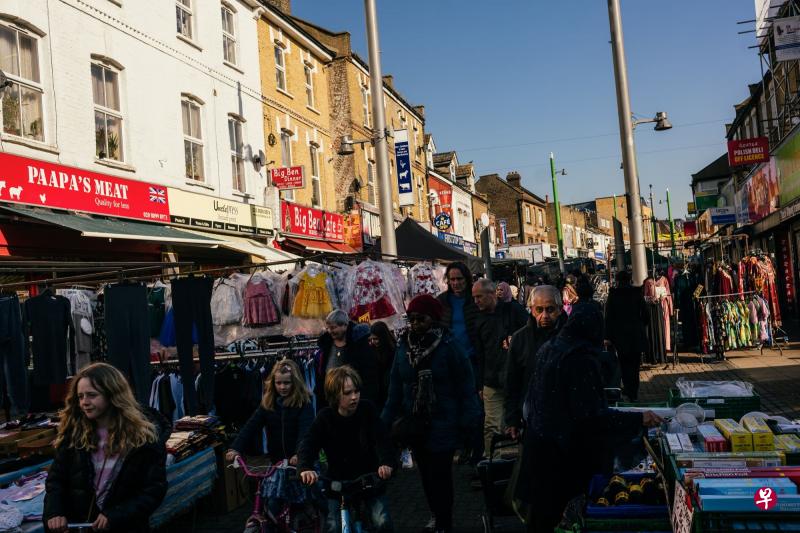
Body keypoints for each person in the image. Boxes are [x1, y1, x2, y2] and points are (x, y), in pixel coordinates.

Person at [522, 305, 663, 532]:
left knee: (542, 517)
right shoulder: (579, 359)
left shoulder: (551, 347)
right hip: (562, 457)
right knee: (559, 516)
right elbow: (592, 417)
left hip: (539, 448)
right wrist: (638, 419)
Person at [383, 294, 481, 533]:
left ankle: (443, 522)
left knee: (440, 475)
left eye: (421, 319)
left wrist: (470, 423)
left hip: (443, 420)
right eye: (412, 318)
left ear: (434, 319)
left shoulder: (449, 345)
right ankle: (436, 515)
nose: (415, 323)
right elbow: (395, 385)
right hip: (415, 423)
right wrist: (384, 422)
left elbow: (465, 386)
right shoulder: (404, 346)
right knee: (425, 475)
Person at [43, 363, 167, 533]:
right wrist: (54, 512)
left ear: (112, 394)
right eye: (80, 396)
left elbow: (153, 489)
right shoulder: (74, 435)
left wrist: (116, 515)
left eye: (92, 395)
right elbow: (56, 481)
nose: (84, 402)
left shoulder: (143, 438)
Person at [298, 366, 395, 533]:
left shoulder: (367, 410)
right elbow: (308, 444)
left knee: (382, 521)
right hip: (337, 483)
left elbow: (383, 440)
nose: (354, 397)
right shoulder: (325, 418)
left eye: (356, 391)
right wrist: (305, 467)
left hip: (368, 479)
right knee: (334, 526)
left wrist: (386, 463)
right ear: (335, 395)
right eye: (348, 392)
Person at [472, 278, 528, 456]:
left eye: (479, 297)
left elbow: (531, 333)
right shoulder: (479, 319)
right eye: (474, 297)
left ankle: (518, 464)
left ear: (491, 294)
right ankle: (493, 464)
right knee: (492, 426)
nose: (476, 301)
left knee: (519, 423)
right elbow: (479, 354)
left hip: (516, 379)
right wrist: (480, 384)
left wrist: (515, 340)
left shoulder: (513, 311)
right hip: (491, 380)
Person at [504, 285, 566, 440]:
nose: (544, 315)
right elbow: (512, 381)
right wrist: (512, 420)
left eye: (550, 309)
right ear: (531, 309)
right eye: (539, 310)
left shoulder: (570, 336)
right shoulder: (520, 339)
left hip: (566, 417)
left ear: (560, 309)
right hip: (531, 417)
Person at [226, 359, 314, 464]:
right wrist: (236, 448)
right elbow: (251, 426)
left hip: (299, 461)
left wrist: (299, 454)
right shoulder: (268, 403)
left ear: (295, 382)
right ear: (273, 383)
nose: (282, 387)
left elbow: (305, 432)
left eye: (287, 383)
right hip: (276, 461)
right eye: (278, 383)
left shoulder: (303, 403)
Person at [436, 262, 482, 462]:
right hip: (451, 360)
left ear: (467, 279)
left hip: (472, 359)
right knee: (454, 403)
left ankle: (475, 447)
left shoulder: (475, 300)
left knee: (473, 405)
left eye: (459, 279)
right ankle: (461, 445)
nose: (456, 283)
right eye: (452, 279)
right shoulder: (442, 301)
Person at [317, 309, 379, 404]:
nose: (330, 331)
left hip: (354, 399)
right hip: (331, 400)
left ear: (345, 325)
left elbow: (369, 374)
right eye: (328, 328)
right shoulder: (327, 344)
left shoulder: (359, 343)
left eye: (333, 328)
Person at [604, 271, 648, 401]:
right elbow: (645, 314)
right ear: (630, 280)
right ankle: (633, 392)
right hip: (635, 334)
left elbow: (609, 318)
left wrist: (608, 336)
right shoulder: (637, 293)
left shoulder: (614, 294)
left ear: (617, 280)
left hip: (620, 336)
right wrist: (640, 325)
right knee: (635, 366)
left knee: (623, 364)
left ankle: (628, 390)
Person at [369, 321, 397, 409]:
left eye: (376, 339)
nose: (373, 342)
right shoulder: (372, 350)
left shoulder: (393, 350)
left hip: (391, 389)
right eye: (372, 339)